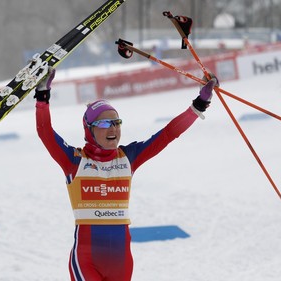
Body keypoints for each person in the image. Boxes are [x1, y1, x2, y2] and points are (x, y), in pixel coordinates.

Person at [34, 66, 218, 281]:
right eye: (104, 123)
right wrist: (42, 96)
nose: (113, 129)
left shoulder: (128, 157)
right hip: (87, 260)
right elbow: (45, 132)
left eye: (116, 122)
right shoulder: (75, 161)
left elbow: (168, 134)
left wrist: (200, 104)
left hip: (121, 261)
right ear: (89, 129)